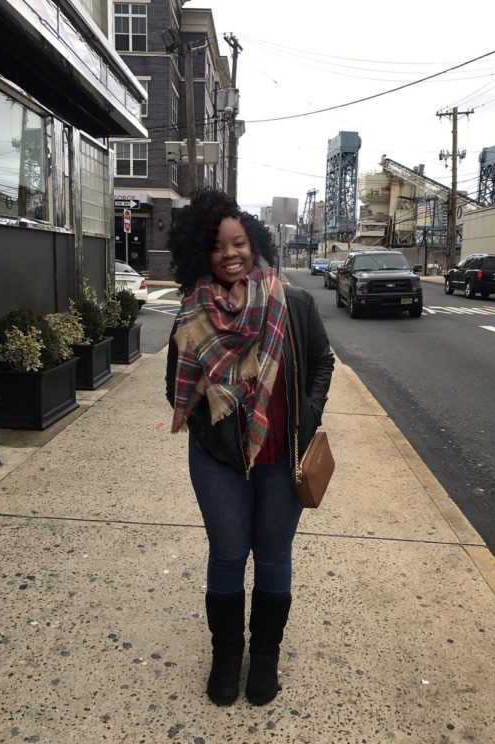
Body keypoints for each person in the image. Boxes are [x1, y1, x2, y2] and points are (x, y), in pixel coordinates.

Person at [165, 188, 334, 706]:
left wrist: (308, 413)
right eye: (217, 246)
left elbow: (322, 362)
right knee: (228, 554)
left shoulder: (293, 302)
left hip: (281, 455)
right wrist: (209, 411)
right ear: (202, 253)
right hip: (219, 460)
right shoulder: (191, 313)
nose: (229, 254)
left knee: (274, 554)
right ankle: (226, 658)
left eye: (238, 242)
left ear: (254, 243)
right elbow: (174, 386)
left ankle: (264, 660)